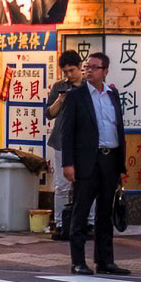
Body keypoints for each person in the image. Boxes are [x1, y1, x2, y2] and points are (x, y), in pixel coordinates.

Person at [59, 52, 130, 276]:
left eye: (95, 67)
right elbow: (67, 133)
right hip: (87, 160)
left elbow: (118, 127)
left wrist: (121, 165)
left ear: (105, 71)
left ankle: (105, 261)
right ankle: (78, 261)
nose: (89, 70)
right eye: (87, 67)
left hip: (111, 158)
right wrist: (68, 163)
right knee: (81, 210)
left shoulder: (112, 94)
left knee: (105, 213)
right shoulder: (76, 96)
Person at [45, 50, 86, 238]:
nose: (68, 75)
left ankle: (89, 223)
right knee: (62, 186)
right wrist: (60, 100)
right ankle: (61, 224)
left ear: (80, 67)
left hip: (85, 142)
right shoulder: (59, 87)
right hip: (62, 141)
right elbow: (49, 113)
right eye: (65, 72)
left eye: (71, 71)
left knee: (87, 184)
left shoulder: (89, 87)